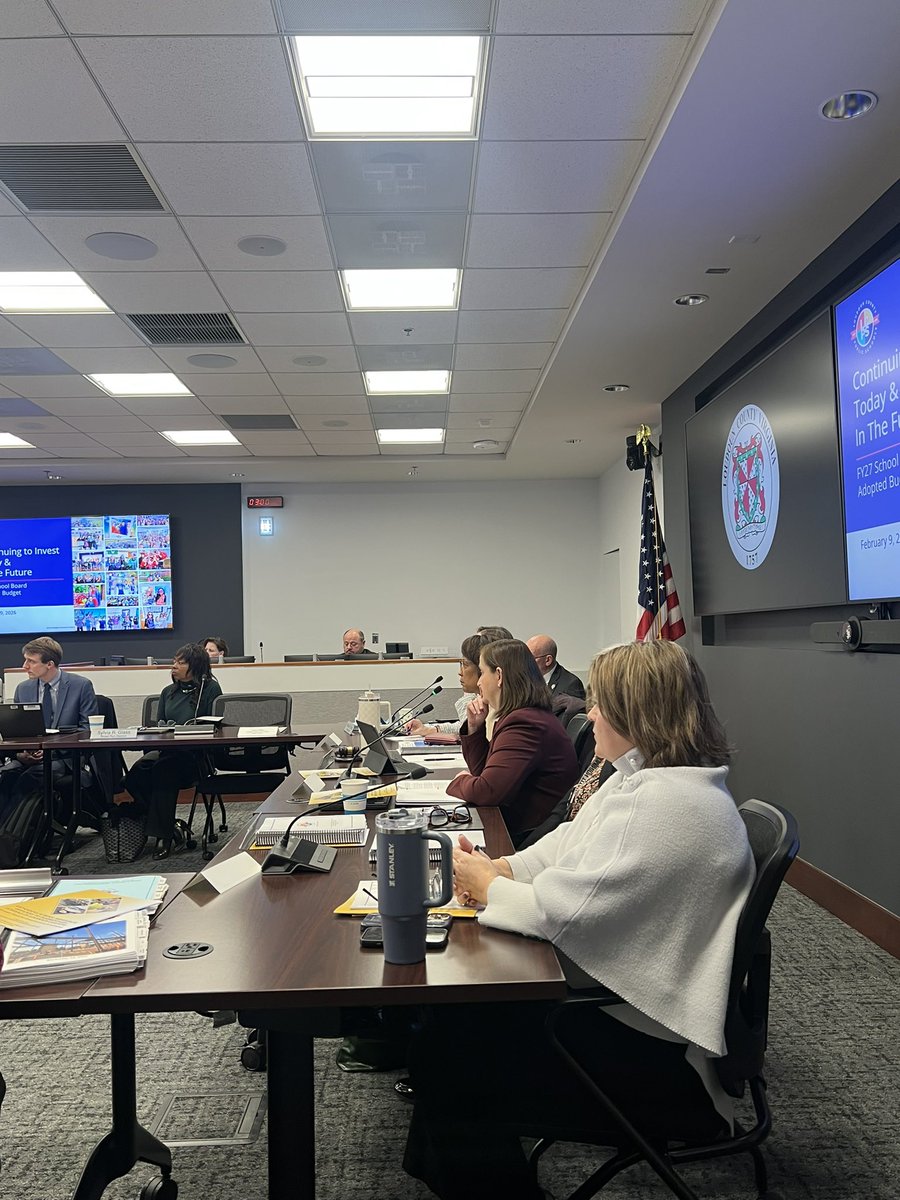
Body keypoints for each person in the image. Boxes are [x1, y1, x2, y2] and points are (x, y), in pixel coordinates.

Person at [403, 640, 755, 1200]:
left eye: (601, 704)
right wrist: (503, 868)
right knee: (447, 1029)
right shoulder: (649, 778)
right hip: (635, 1007)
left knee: (447, 1057)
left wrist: (489, 886)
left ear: (638, 713)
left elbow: (564, 914)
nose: (589, 715)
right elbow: (570, 843)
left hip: (656, 1054)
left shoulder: (663, 805)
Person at [445, 638, 579, 843]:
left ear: (499, 676)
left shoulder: (524, 723)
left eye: (482, 673)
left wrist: (459, 781)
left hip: (527, 838)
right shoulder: (521, 715)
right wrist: (474, 727)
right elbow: (483, 772)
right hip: (516, 826)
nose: (479, 682)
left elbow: (487, 792)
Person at [121, 643, 222, 858]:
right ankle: (171, 825)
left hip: (195, 757)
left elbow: (215, 726)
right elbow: (159, 725)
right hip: (167, 751)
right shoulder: (168, 692)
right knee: (135, 776)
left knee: (163, 771)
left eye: (181, 662)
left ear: (196, 666)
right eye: (174, 661)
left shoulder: (210, 689)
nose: (174, 666)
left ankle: (164, 836)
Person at [0, 637, 97, 816]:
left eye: (31, 661)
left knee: (29, 779)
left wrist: (50, 749)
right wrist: (22, 753)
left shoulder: (80, 686)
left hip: (63, 758)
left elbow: (87, 730)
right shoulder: (23, 689)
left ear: (49, 664)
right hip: (30, 756)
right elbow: (18, 731)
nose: (25, 666)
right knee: (5, 776)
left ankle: (14, 830)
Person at [407, 626, 514, 736]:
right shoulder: (490, 706)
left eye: (465, 664)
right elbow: (463, 727)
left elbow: (469, 728)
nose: (460, 672)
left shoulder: (506, 716)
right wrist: (431, 730)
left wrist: (469, 697)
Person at [526, 633, 586, 700]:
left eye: (530, 658)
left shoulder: (571, 684)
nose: (525, 661)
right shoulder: (525, 679)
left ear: (548, 660)